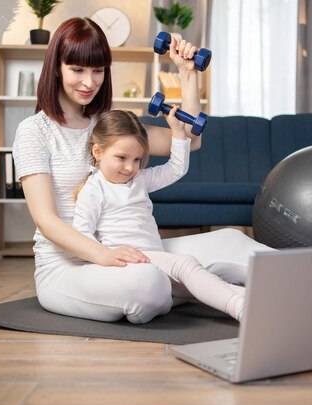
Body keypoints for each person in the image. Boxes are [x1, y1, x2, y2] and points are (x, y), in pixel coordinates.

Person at [12, 17, 312, 324]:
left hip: (133, 251)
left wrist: (188, 76)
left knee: (234, 243)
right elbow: (47, 220)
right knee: (148, 285)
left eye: (98, 70)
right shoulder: (35, 131)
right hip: (69, 268)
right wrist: (105, 256)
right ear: (57, 68)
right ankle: (216, 291)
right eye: (77, 69)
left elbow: (189, 139)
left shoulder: (110, 126)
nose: (89, 81)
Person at [72, 109, 246, 321]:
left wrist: (178, 131)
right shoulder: (93, 189)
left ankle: (256, 297)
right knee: (186, 264)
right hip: (133, 264)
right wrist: (108, 254)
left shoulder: (139, 181)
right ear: (98, 152)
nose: (130, 167)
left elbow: (176, 169)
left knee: (209, 277)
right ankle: (240, 309)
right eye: (121, 158)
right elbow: (81, 234)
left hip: (155, 258)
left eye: (137, 159)